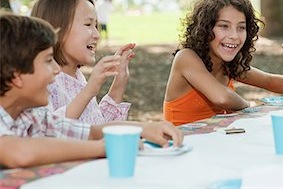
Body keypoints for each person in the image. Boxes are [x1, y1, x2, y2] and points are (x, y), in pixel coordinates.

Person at [0, 12, 182, 168]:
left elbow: (93, 132)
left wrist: (144, 128)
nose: (56, 69)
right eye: (48, 60)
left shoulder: (32, 117)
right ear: (16, 75)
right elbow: (18, 152)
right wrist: (106, 147)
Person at [163, 0, 283, 126]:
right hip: (181, 147)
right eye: (224, 26)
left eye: (241, 28)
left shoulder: (227, 65)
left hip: (213, 144)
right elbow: (222, 98)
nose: (234, 36)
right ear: (205, 29)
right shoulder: (186, 58)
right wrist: (249, 106)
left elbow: (269, 80)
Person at [31, 0, 135, 124]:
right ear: (57, 29)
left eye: (96, 25)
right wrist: (89, 90)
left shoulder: (77, 77)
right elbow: (51, 130)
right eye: (88, 24)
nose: (97, 34)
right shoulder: (44, 83)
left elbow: (96, 125)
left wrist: (120, 81)